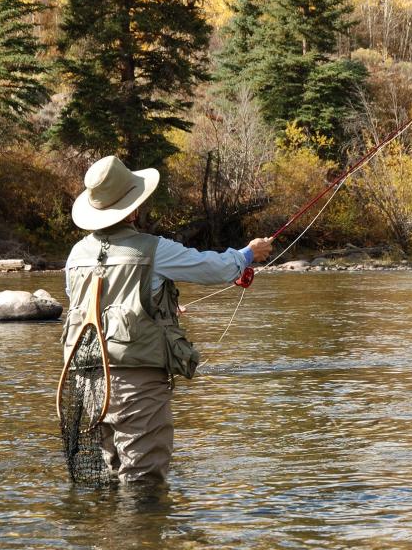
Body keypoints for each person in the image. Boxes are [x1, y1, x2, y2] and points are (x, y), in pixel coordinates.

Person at [63, 155, 273, 483]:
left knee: (114, 469)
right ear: (132, 208)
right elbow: (214, 268)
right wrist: (248, 254)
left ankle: (109, 534)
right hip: (135, 382)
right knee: (142, 481)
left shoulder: (76, 255)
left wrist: (158, 309)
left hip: (86, 379)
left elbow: (94, 303)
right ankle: (142, 533)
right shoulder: (153, 249)